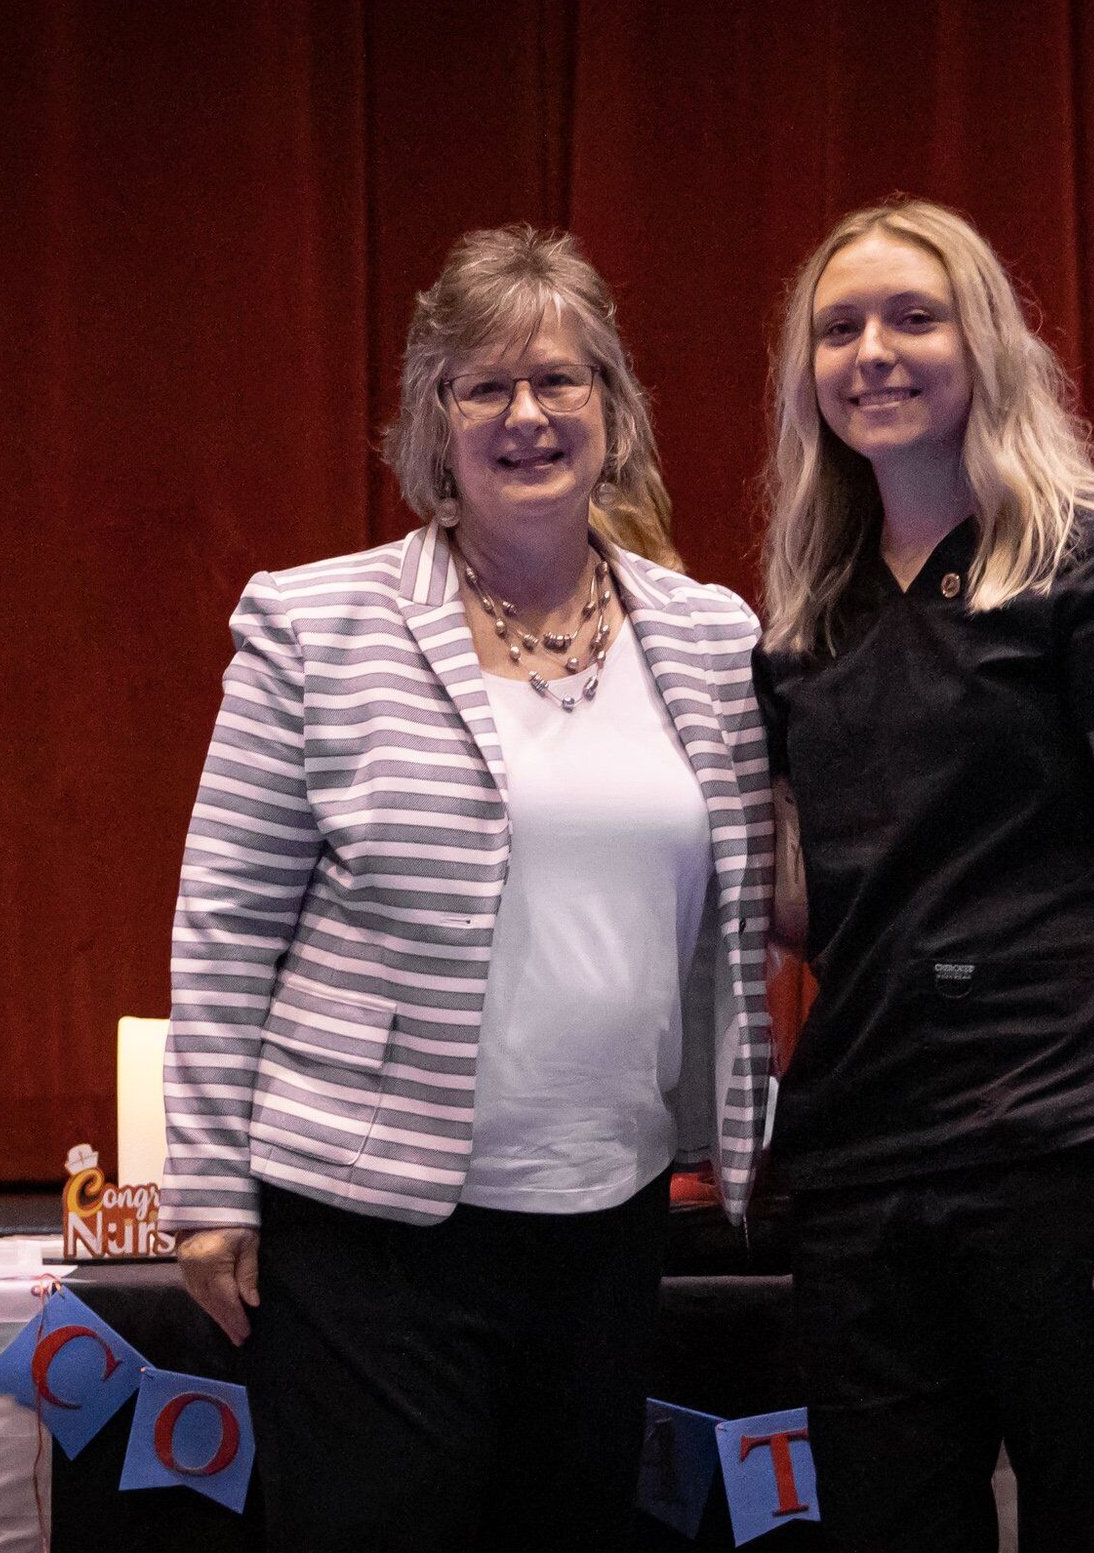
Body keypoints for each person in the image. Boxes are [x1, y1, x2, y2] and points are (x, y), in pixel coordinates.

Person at [159, 225, 774, 1552]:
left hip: (605, 1215)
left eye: (561, 379)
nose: (526, 414)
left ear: (613, 410)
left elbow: (759, 896)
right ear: (431, 420)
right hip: (365, 1227)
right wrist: (204, 1182)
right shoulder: (312, 623)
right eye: (483, 384)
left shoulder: (713, 637)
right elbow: (224, 918)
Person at [754, 198, 1094, 1551]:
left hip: (1058, 1150)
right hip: (858, 1167)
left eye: (913, 315)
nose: (873, 353)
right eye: (838, 329)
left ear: (987, 339)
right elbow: (808, 900)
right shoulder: (805, 605)